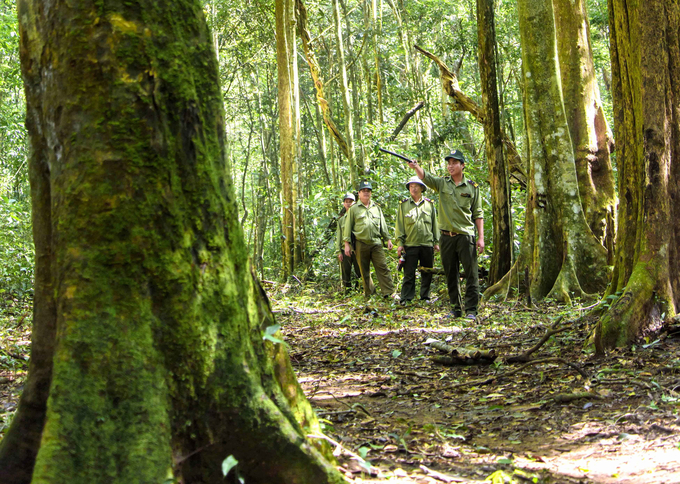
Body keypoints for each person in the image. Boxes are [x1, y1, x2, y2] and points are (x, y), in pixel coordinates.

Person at [407, 150, 484, 320]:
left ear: (462, 165)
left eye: (454, 163)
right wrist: (416, 167)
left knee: (471, 274)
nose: (451, 166)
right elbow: (426, 177)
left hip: (465, 236)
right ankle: (455, 309)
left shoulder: (472, 187)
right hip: (446, 237)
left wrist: (480, 238)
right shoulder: (442, 183)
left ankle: (471, 309)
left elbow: (478, 213)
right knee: (451, 273)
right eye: (449, 163)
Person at [343, 181, 395, 298]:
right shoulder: (354, 209)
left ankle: (389, 292)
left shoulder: (376, 208)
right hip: (361, 243)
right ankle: (370, 294)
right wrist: (347, 244)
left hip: (376, 243)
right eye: (363, 191)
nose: (366, 193)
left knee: (382, 267)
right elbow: (348, 227)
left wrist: (388, 239)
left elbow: (383, 224)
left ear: (371, 193)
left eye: (368, 191)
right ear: (359, 193)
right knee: (364, 271)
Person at [395, 176, 440, 305]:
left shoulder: (429, 205)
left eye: (416, 186)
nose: (413, 189)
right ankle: (406, 298)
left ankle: (425, 297)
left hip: (427, 244)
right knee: (409, 273)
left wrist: (436, 242)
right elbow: (400, 225)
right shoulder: (403, 205)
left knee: (427, 272)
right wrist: (400, 244)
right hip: (410, 244)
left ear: (421, 188)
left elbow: (434, 225)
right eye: (411, 186)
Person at [336, 192, 361, 292]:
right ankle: (347, 292)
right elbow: (339, 236)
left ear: (354, 203)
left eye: (350, 202)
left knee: (359, 271)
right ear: (343, 204)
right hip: (344, 249)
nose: (348, 204)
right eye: (346, 202)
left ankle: (360, 289)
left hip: (357, 248)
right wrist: (338, 251)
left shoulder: (358, 216)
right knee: (346, 272)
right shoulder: (341, 220)